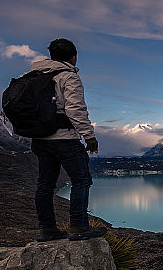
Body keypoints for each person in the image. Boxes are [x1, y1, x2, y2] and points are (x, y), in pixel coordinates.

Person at [30, 38, 107, 242]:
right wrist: (89, 137)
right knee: (81, 180)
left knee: (45, 184)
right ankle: (79, 226)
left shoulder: (34, 76)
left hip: (40, 139)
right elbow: (75, 109)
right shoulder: (68, 77)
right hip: (64, 139)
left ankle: (47, 229)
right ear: (73, 57)